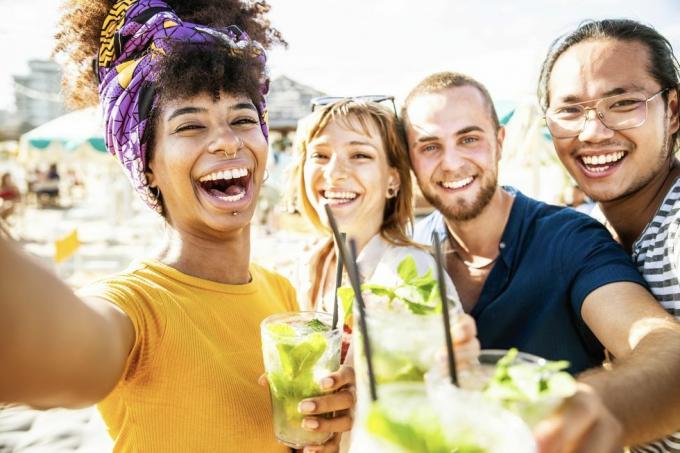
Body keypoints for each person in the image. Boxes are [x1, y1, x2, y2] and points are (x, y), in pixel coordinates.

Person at [0, 1, 353, 452]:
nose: (227, 141)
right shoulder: (136, 306)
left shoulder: (282, 296)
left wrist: (326, 435)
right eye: (190, 126)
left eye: (244, 119)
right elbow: (57, 354)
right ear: (146, 163)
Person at [402, 71, 680, 452]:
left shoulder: (569, 240)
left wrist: (590, 406)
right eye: (429, 146)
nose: (451, 163)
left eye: (469, 139)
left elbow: (662, 342)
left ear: (499, 142)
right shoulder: (407, 254)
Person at [539, 18, 680, 452]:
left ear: (673, 111)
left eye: (622, 104)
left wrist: (594, 407)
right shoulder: (592, 234)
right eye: (569, 110)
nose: (593, 132)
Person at [291, 98, 479, 367]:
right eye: (320, 155)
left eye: (359, 155)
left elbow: (443, 383)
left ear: (393, 180)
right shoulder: (308, 263)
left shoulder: (413, 274)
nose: (333, 172)